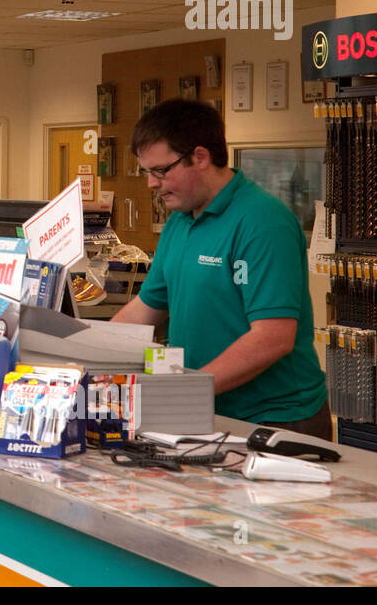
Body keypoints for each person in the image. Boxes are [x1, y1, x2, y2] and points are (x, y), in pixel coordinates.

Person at [111, 99, 330, 439]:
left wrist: (187, 391)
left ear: (200, 157)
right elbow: (144, 309)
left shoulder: (263, 221)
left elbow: (273, 338)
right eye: (146, 172)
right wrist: (82, 357)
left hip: (276, 419)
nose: (151, 184)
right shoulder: (179, 222)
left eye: (161, 171)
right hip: (207, 407)